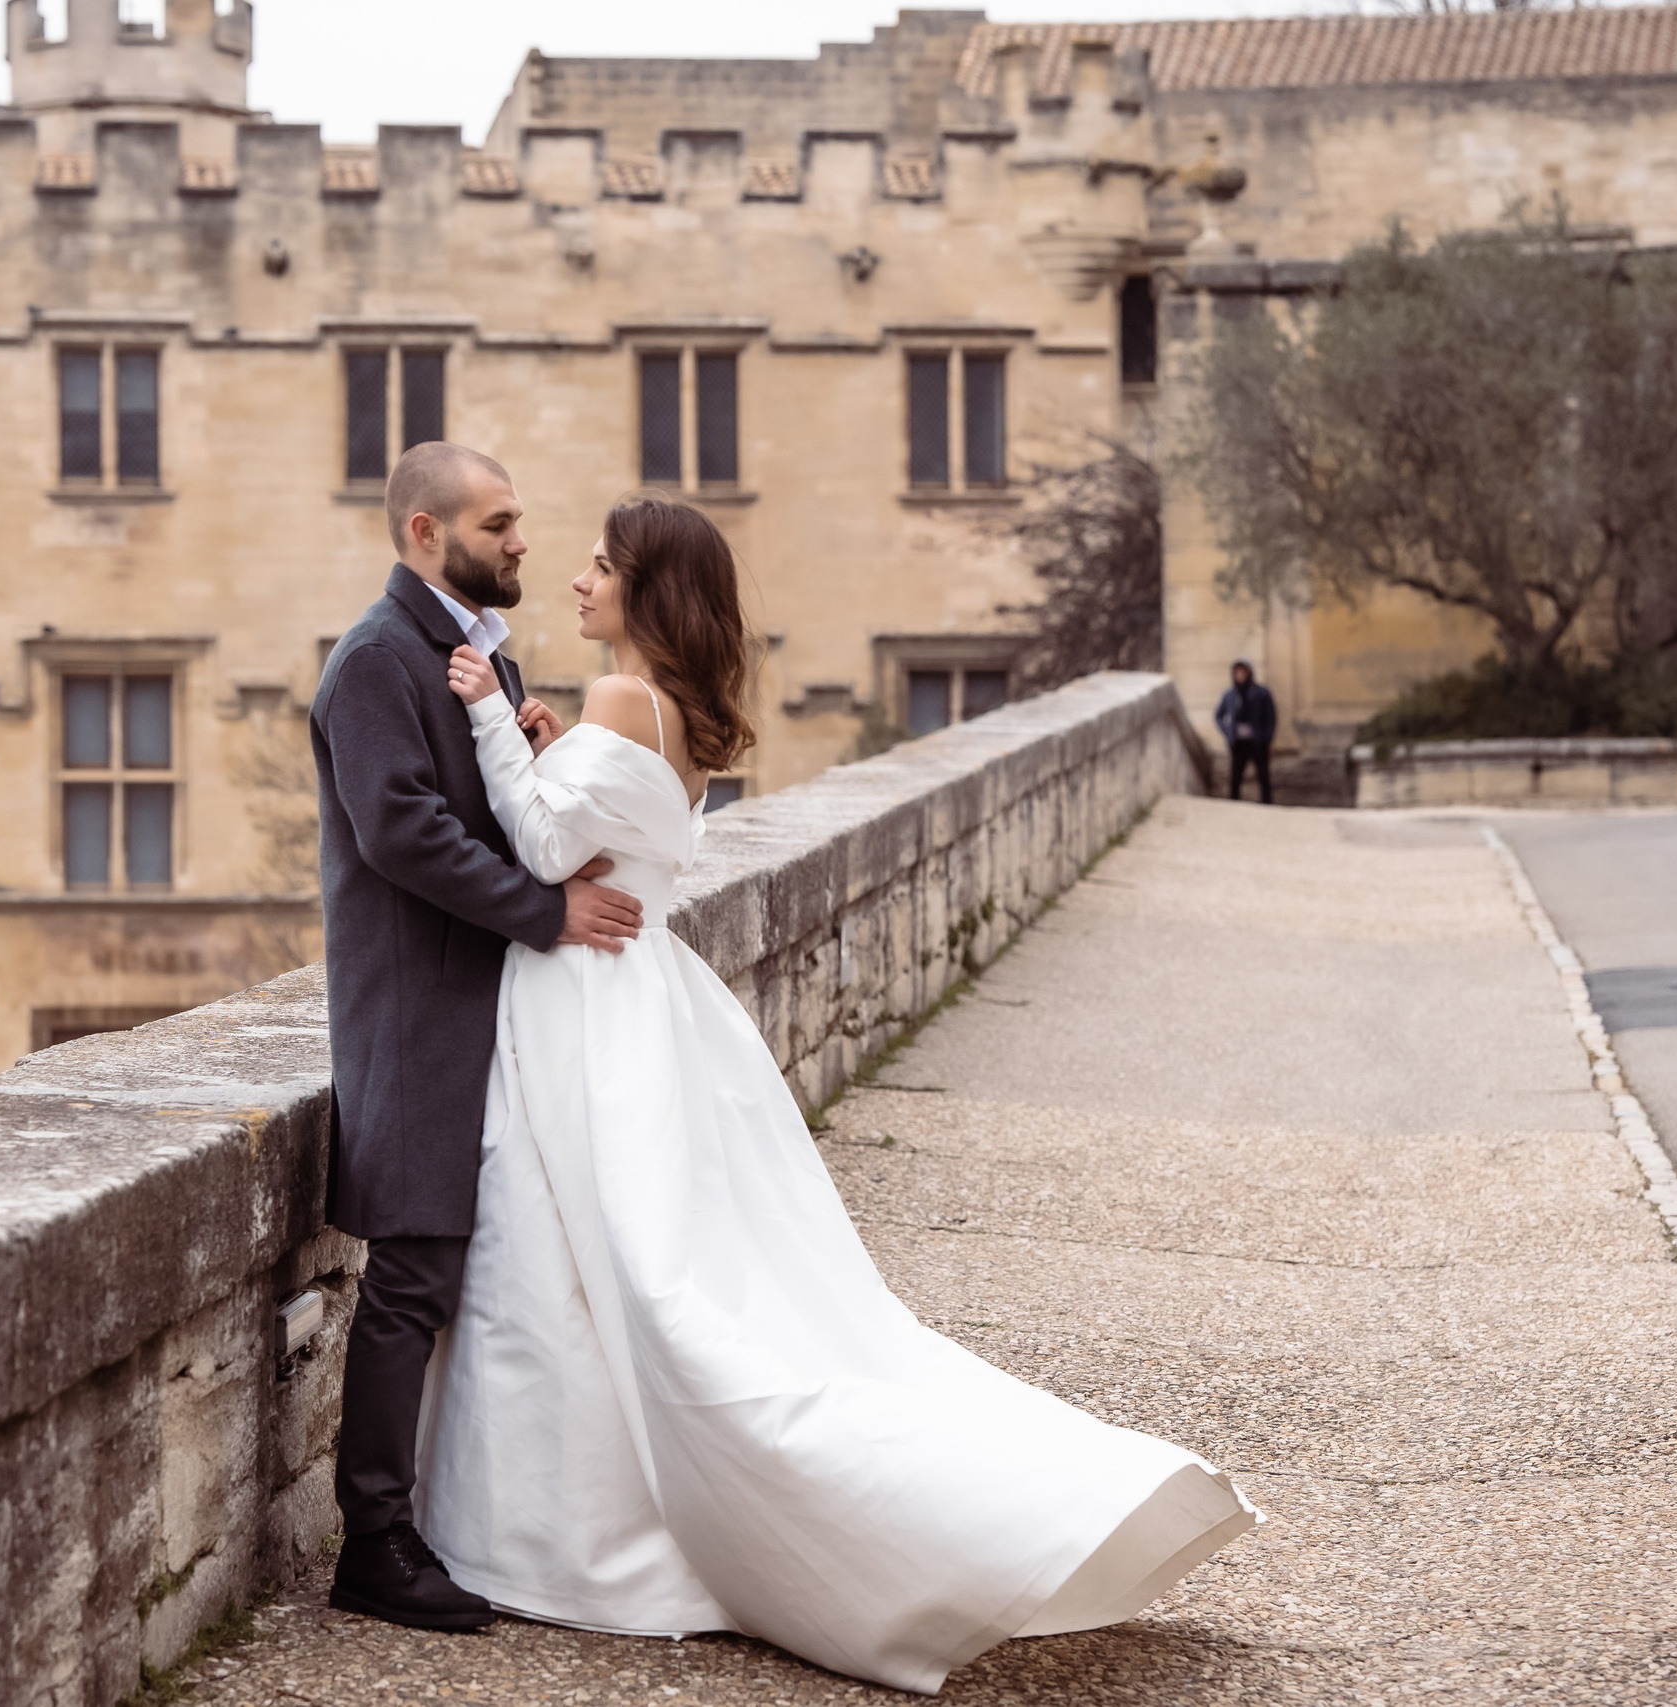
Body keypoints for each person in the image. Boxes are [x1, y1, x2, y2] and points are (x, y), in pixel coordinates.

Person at [420, 494, 1257, 1695]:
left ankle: (563, 1534)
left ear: (645, 592)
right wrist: (548, 749)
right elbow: (608, 825)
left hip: (588, 1004)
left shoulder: (619, 699)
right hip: (647, 993)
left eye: (598, 568)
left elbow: (551, 854)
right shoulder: (678, 715)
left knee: (581, 1267)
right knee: (613, 1267)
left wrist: (498, 725)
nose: (575, 583)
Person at [309, 442, 646, 1631]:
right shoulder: (371, 664)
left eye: (517, 522)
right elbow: (402, 838)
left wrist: (533, 758)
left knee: (448, 1278)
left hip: (478, 1005)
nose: (519, 543)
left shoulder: (461, 656)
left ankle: (436, 1525)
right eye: (497, 524)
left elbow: (478, 813)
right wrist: (547, 913)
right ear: (422, 534)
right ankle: (375, 1547)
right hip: (414, 1015)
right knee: (406, 1281)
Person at [1214, 660, 1277, 805]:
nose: (1240, 675)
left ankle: (1268, 804)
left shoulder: (1261, 693)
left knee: (1263, 776)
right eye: (1237, 673)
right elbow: (1218, 716)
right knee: (1236, 776)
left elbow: (1271, 717)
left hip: (1257, 741)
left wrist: (1266, 737)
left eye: (1243, 672)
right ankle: (1234, 804)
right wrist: (1228, 732)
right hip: (1238, 742)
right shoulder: (1230, 694)